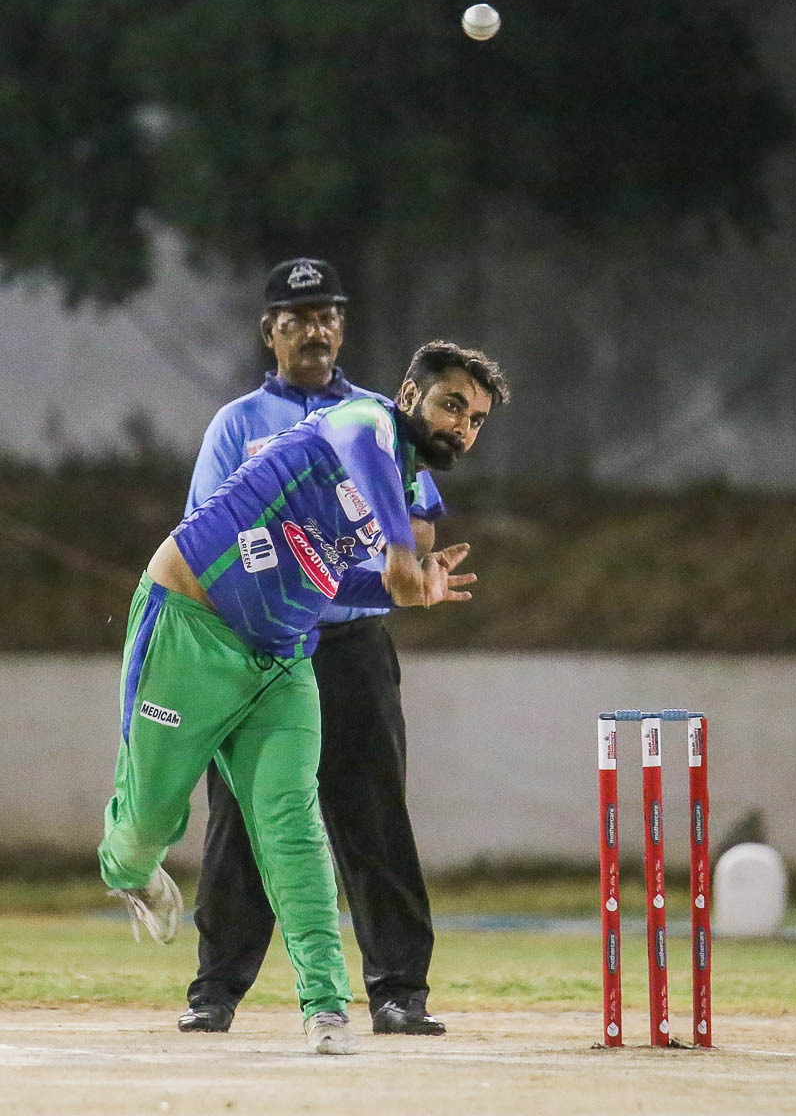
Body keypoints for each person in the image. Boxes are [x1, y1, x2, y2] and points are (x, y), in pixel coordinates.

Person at [98, 334, 508, 1056]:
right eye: (451, 406)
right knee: (149, 822)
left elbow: (329, 571)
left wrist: (407, 588)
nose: (462, 428)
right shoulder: (363, 420)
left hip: (282, 660)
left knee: (293, 829)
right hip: (190, 628)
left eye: (475, 420)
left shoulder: (406, 487)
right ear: (409, 395)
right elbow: (373, 471)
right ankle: (128, 870)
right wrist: (400, 552)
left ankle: (326, 1007)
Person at [178, 258, 455, 1040]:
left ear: (343, 326)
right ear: (269, 332)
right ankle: (216, 990)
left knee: (372, 816)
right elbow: (208, 530)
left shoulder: (377, 417)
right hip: (261, 650)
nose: (315, 330)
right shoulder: (238, 425)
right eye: (297, 318)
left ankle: (399, 992)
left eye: (328, 315)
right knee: (241, 820)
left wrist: (410, 558)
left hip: (351, 645)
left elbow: (420, 518)